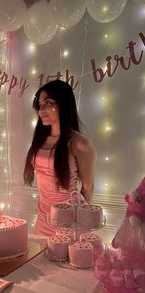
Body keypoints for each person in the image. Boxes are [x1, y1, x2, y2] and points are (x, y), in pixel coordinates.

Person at [23, 80, 97, 236]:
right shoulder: (41, 139)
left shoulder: (79, 143)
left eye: (48, 103)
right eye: (40, 104)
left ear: (63, 104)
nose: (41, 109)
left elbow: (88, 187)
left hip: (68, 220)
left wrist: (81, 222)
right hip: (43, 217)